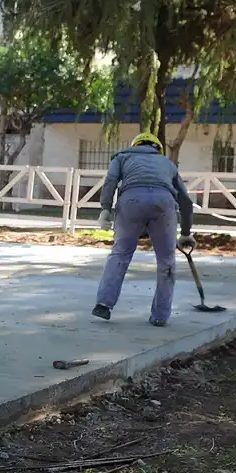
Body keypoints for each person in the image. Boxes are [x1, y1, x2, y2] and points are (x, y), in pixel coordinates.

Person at [92, 133, 195, 327]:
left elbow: (110, 181)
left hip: (132, 200)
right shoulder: (168, 164)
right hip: (164, 203)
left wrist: (105, 209)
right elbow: (185, 200)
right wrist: (186, 232)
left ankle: (104, 304)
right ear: (158, 149)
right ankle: (160, 315)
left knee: (120, 253)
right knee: (166, 259)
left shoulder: (122, 157)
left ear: (135, 145)